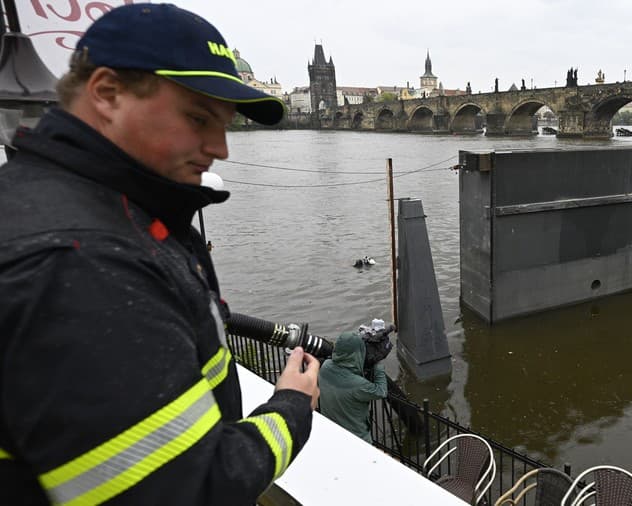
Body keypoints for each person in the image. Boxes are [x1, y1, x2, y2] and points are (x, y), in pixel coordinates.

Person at [0, 4, 319, 505]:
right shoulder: (81, 260)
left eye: (225, 124)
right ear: (106, 93)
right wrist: (292, 409)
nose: (221, 148)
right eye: (198, 117)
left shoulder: (98, 209)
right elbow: (186, 492)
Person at [318, 332, 388, 443]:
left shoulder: (325, 366)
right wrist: (378, 366)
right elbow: (382, 391)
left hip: (331, 431)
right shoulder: (358, 385)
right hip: (357, 438)